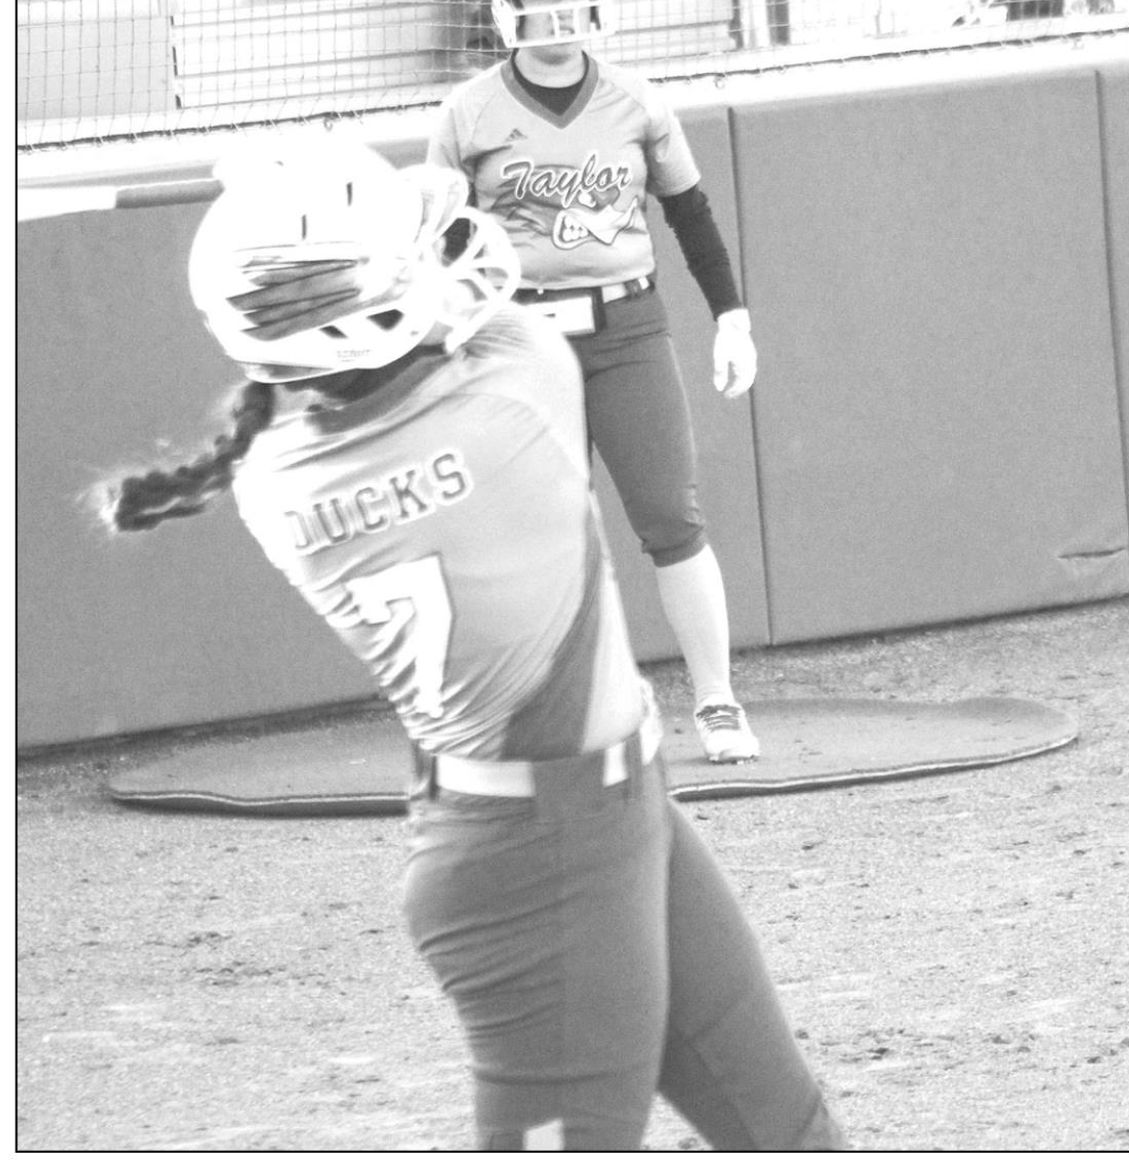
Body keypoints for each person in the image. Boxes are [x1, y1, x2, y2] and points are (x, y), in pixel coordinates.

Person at [94, 135, 847, 1151]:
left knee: (786, 1131)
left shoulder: (275, 469)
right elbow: (502, 276)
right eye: (413, 257)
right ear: (370, 315)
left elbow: (365, 316)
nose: (443, 257)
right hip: (543, 859)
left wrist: (295, 220)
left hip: (577, 822)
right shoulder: (512, 389)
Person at [428, 0, 761, 765]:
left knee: (671, 518)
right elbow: (438, 241)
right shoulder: (467, 111)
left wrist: (731, 313)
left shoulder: (638, 100)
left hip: (627, 326)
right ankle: (582, 713)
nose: (561, 14)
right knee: (546, 535)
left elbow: (690, 212)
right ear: (508, 10)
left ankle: (717, 701)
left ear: (598, 3)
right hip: (521, 334)